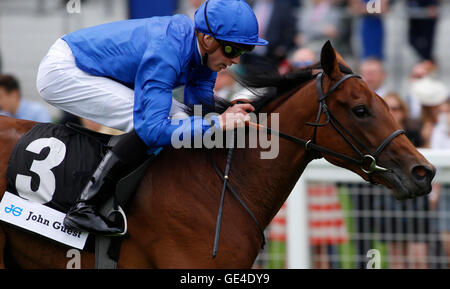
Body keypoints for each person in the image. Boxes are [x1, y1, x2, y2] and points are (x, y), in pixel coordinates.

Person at [36, 0, 268, 235]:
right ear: (208, 39)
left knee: (181, 117)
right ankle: (85, 207)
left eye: (244, 51)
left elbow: (198, 113)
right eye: (233, 50)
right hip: (65, 70)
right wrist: (218, 122)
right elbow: (152, 130)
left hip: (92, 67)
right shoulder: (167, 48)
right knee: (148, 121)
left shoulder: (204, 55)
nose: (237, 60)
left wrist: (226, 120)